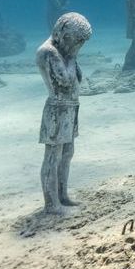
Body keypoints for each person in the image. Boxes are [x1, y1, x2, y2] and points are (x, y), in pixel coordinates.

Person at [36, 12, 92, 215]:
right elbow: (66, 80)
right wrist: (72, 57)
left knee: (67, 153)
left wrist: (72, 55)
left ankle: (63, 196)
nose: (79, 46)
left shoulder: (64, 52)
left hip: (70, 107)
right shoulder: (49, 52)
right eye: (78, 41)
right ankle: (52, 204)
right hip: (57, 110)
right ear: (65, 35)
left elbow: (76, 77)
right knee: (53, 155)